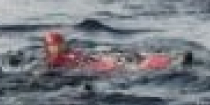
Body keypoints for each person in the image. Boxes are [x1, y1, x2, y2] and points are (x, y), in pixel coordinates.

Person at [42, 30, 189, 73]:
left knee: (130, 58)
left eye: (60, 43)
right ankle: (171, 63)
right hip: (92, 67)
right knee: (125, 67)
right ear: (48, 48)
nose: (58, 47)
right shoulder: (54, 61)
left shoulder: (67, 53)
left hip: (95, 60)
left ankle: (170, 59)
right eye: (54, 45)